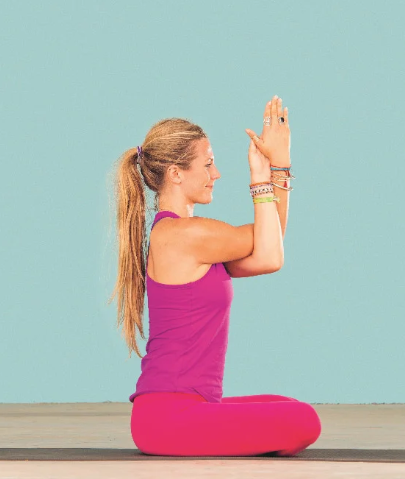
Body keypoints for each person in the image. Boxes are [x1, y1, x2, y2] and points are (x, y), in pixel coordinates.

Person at [109, 95, 321, 456]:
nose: (216, 173)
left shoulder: (191, 238)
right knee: (303, 420)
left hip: (188, 407)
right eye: (207, 164)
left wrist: (277, 169)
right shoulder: (182, 235)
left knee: (286, 405)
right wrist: (265, 174)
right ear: (176, 173)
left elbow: (268, 250)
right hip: (168, 418)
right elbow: (271, 251)